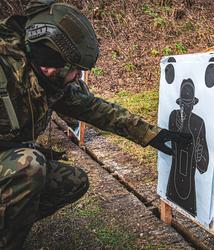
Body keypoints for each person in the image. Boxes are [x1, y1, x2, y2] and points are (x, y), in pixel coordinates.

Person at [0, 1, 191, 249]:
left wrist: (151, 134)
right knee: (28, 164)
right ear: (49, 66)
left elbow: (94, 108)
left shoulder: (51, 78)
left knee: (73, 181)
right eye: (75, 70)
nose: (79, 77)